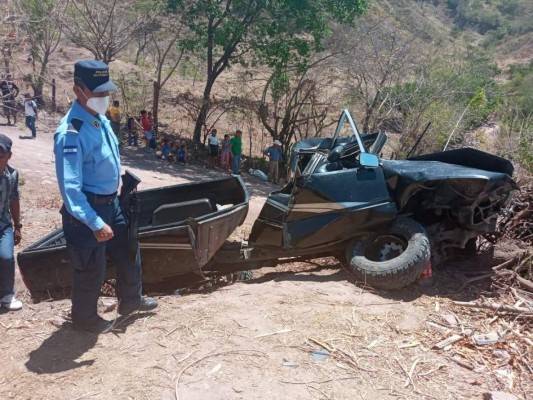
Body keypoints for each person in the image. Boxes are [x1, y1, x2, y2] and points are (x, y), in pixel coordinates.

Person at [53, 59, 158, 333]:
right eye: (97, 92)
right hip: (89, 211)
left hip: (112, 203)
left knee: (128, 251)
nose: (103, 98)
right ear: (79, 90)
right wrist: (94, 222)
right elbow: (70, 188)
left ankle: (131, 301)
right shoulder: (71, 132)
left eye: (105, 92)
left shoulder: (99, 120)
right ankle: (85, 320)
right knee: (90, 267)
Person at [0, 134, 23, 311]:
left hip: (3, 224)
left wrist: (18, 226)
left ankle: (7, 294)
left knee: (6, 257)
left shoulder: (12, 175)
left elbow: (14, 200)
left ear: (9, 156)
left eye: (1, 156)